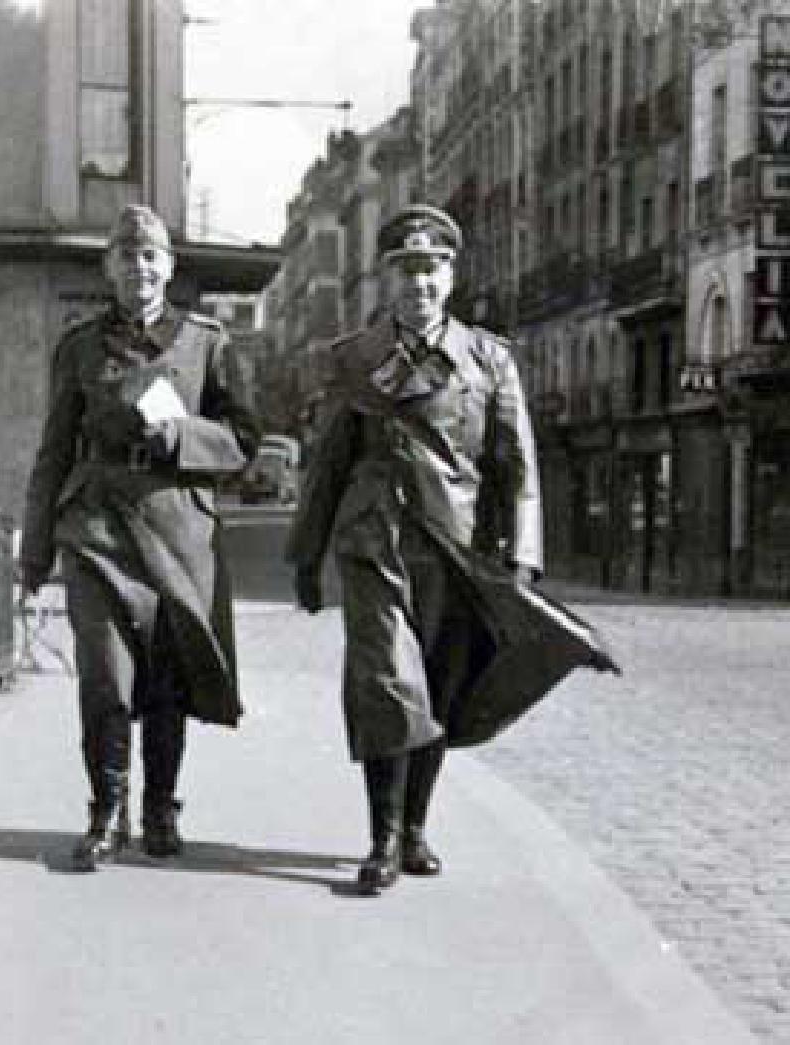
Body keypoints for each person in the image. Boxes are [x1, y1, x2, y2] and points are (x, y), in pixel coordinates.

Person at [287, 203, 617, 894]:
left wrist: (523, 558)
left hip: (456, 546)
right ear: (388, 279)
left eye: (431, 268)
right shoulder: (354, 358)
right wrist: (305, 556)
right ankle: (379, 838)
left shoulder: (488, 360)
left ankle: (414, 828)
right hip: (373, 544)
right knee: (386, 682)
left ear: (451, 274)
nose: (419, 283)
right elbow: (327, 465)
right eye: (406, 270)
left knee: (436, 687)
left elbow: (517, 464)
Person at [19, 204, 261, 870]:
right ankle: (106, 812)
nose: (140, 267)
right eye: (126, 256)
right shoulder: (79, 347)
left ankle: (158, 809)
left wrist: (180, 435)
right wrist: (36, 549)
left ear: (170, 267)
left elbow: (244, 439)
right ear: (109, 269)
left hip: (178, 531)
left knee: (165, 680)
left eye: (151, 255)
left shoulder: (207, 342)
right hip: (96, 528)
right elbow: (53, 451)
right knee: (104, 678)